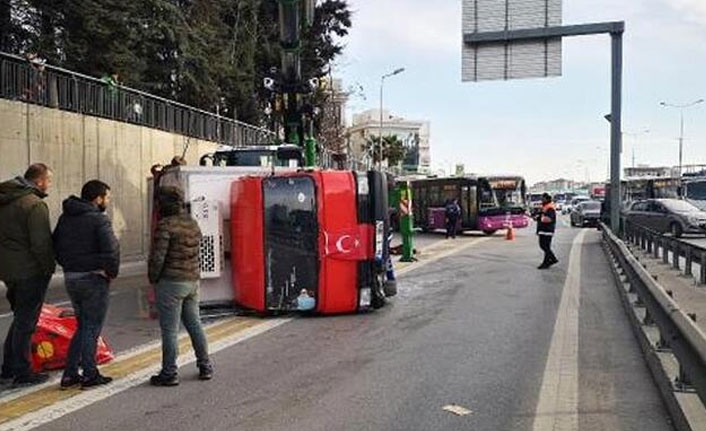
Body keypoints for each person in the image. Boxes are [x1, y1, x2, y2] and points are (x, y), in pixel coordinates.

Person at [53, 180, 120, 389]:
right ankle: (90, 374)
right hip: (93, 278)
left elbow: (55, 246)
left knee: (83, 327)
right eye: (106, 197)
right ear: (97, 198)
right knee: (91, 328)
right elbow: (111, 251)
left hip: (71, 277)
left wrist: (70, 265)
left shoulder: (65, 217)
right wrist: (110, 272)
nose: (107, 201)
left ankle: (70, 374)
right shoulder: (99, 220)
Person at [148, 186, 212, 386]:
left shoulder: (165, 225)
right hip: (192, 281)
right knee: (195, 324)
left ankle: (169, 372)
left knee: (170, 330)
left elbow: (158, 257)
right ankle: (205, 365)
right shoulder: (192, 223)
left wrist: (153, 278)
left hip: (171, 282)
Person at [0, 163, 56, 387]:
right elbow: (41, 244)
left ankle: (9, 369)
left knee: (20, 319)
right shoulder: (34, 205)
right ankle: (22, 371)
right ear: (40, 180)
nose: (49, 184)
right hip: (29, 270)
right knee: (26, 322)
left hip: (8, 270)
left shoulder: (5, 201)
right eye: (48, 180)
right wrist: (48, 267)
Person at [536, 193, 558, 269]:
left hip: (547, 230)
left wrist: (539, 218)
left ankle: (552, 259)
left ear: (547, 199)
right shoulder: (545, 207)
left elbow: (548, 219)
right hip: (543, 230)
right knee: (545, 247)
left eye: (542, 198)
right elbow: (542, 215)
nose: (541, 200)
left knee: (544, 246)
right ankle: (547, 262)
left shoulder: (550, 208)